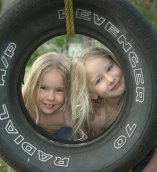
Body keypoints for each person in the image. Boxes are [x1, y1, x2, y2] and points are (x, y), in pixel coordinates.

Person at [70, 46, 125, 140]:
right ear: (92, 94)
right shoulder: (96, 119)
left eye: (109, 68)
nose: (110, 79)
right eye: (98, 80)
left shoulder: (143, 93)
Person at [22, 52, 72, 140]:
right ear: (32, 85)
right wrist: (62, 119)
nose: (50, 97)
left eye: (59, 90)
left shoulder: (71, 109)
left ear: (69, 91)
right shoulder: (19, 106)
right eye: (43, 88)